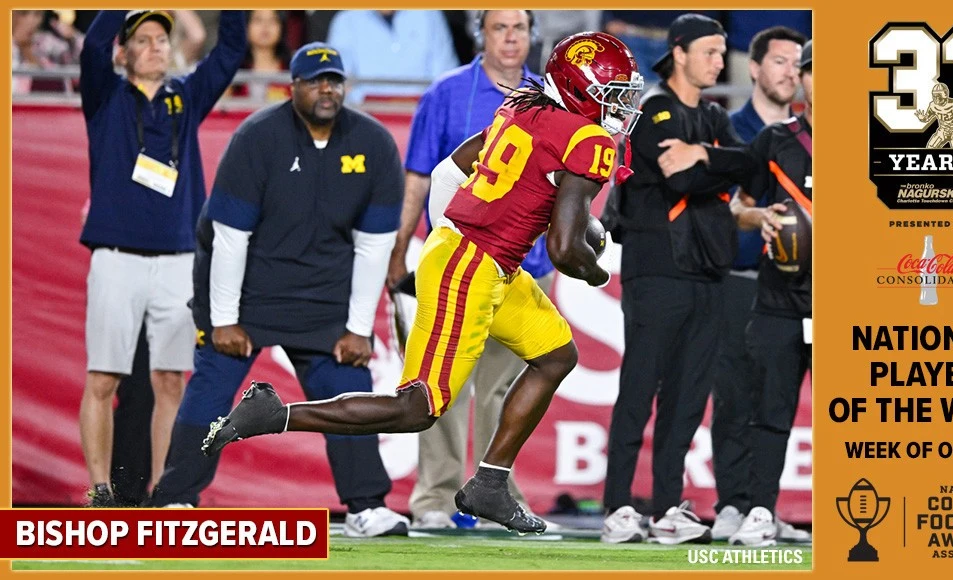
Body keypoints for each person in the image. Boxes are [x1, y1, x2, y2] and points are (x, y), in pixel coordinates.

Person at [201, 31, 645, 536]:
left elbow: (447, 173)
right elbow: (565, 250)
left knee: (556, 355)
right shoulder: (587, 140)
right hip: (474, 264)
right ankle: (274, 413)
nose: (621, 107)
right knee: (417, 408)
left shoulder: (523, 108)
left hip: (482, 260)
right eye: (614, 94)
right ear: (579, 88)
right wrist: (595, 269)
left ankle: (490, 484)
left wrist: (450, 234)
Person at [149, 42, 409, 538]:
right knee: (210, 390)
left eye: (334, 80)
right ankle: (175, 499)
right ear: (293, 88)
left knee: (348, 392)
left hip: (323, 298)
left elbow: (374, 246)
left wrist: (358, 328)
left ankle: (366, 507)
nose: (326, 89)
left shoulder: (374, 144)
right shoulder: (257, 137)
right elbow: (229, 237)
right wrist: (224, 319)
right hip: (249, 293)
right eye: (315, 81)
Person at [391, 9, 555, 530]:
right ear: (480, 34)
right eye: (499, 28)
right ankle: (435, 497)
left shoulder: (552, 96)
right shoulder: (446, 93)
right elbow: (420, 176)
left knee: (504, 389)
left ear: (532, 36)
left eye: (519, 28)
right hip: (457, 265)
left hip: (525, 267)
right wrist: (401, 249)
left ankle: (495, 496)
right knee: (438, 386)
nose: (510, 38)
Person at [78, 9, 245, 507]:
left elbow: (229, 51)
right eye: (143, 39)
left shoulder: (185, 97)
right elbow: (92, 47)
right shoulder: (105, 95)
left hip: (177, 258)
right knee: (103, 377)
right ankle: (100, 490)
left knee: (171, 379)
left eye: (162, 39)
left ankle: (166, 493)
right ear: (123, 52)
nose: (155, 46)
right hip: (116, 257)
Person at [599, 13, 752, 544]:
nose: (719, 62)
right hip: (657, 268)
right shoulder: (652, 111)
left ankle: (667, 506)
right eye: (709, 51)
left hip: (708, 271)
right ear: (679, 53)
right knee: (640, 388)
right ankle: (618, 505)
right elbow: (681, 177)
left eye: (722, 52)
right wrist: (718, 168)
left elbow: (752, 166)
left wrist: (706, 153)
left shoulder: (714, 117)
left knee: (688, 398)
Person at [710, 24, 808, 543]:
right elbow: (730, 206)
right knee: (750, 403)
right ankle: (745, 506)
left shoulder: (870, 142)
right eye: (784, 62)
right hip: (761, 288)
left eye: (799, 63)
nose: (793, 73)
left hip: (834, 295)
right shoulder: (757, 135)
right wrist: (759, 219)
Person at [326, 10, 458, 104]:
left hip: (423, 119)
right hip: (365, 121)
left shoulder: (430, 16)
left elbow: (447, 83)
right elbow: (341, 85)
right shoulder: (345, 21)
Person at [229, 10, 292, 102]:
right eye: (258, 20)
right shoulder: (232, 68)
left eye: (272, 20)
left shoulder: (292, 69)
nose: (265, 26)